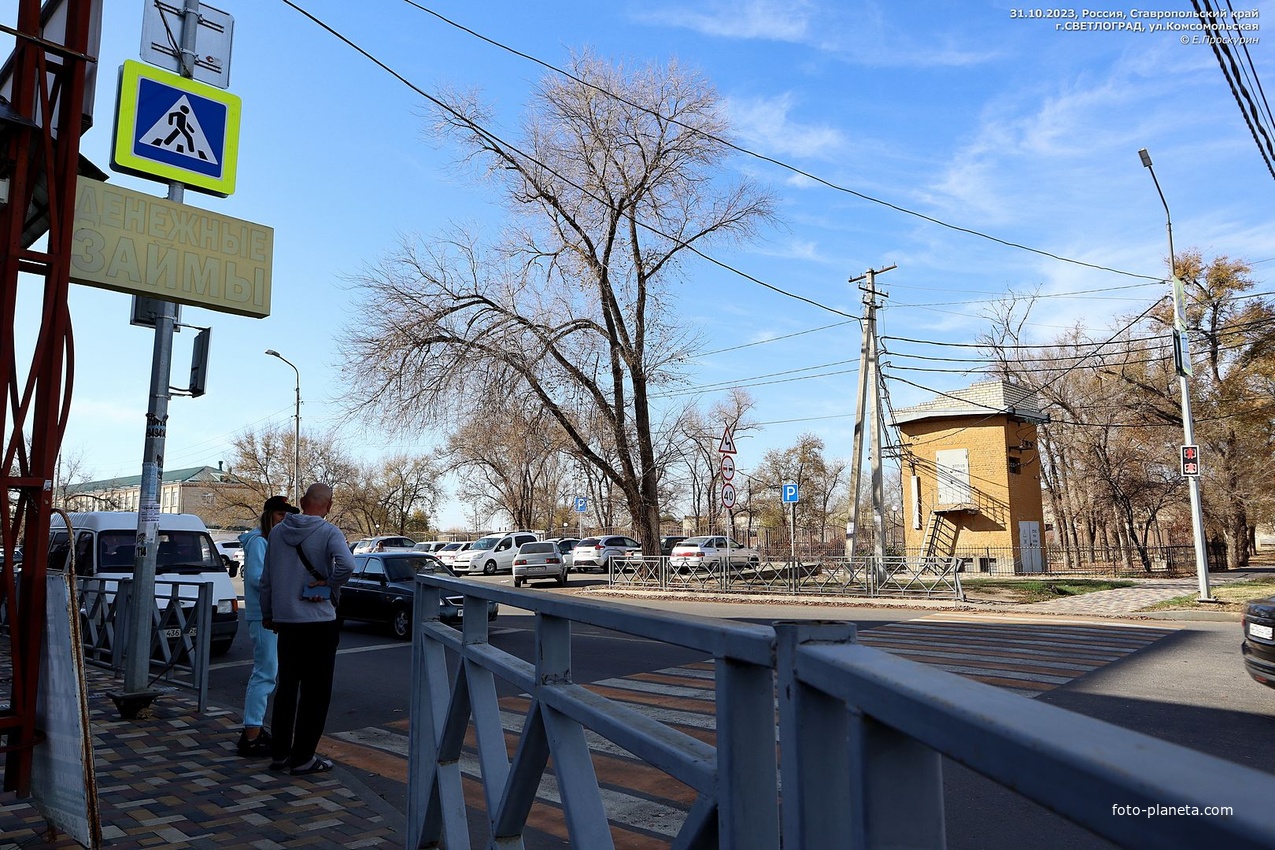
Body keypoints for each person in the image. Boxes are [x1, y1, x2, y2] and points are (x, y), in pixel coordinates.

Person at [260, 483, 355, 775]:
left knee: (287, 687)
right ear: (328, 505)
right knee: (316, 692)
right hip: (318, 622)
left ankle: (279, 754)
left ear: (302, 502)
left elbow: (267, 579)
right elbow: (347, 565)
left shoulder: (276, 533)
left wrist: (269, 613)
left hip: (286, 621)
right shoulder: (328, 532)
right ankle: (303, 759)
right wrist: (328, 582)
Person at [235, 495, 298, 757]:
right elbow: (256, 579)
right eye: (280, 514)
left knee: (269, 671)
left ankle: (254, 730)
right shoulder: (260, 541)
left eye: (287, 515)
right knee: (265, 672)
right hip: (263, 616)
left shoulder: (266, 540)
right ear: (269, 515)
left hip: (268, 615)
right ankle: (251, 734)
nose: (285, 519)